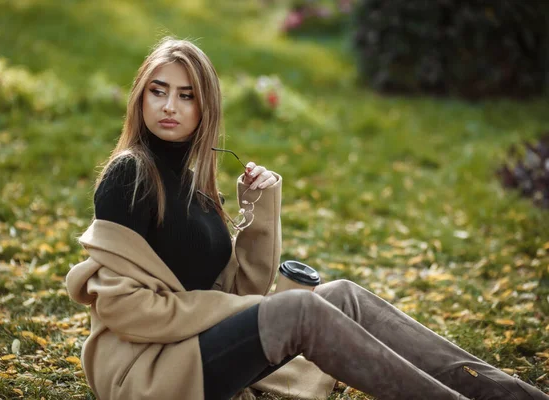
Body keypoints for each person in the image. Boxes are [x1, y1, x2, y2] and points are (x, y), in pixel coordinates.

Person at [65, 37, 548, 400]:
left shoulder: (193, 185)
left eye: (186, 95)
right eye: (158, 91)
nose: (170, 106)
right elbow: (121, 310)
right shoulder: (129, 176)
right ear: (141, 98)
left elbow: (242, 292)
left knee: (343, 297)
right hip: (145, 373)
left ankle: (504, 391)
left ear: (204, 107)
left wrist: (260, 209)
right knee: (303, 310)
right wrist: (238, 312)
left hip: (191, 349)